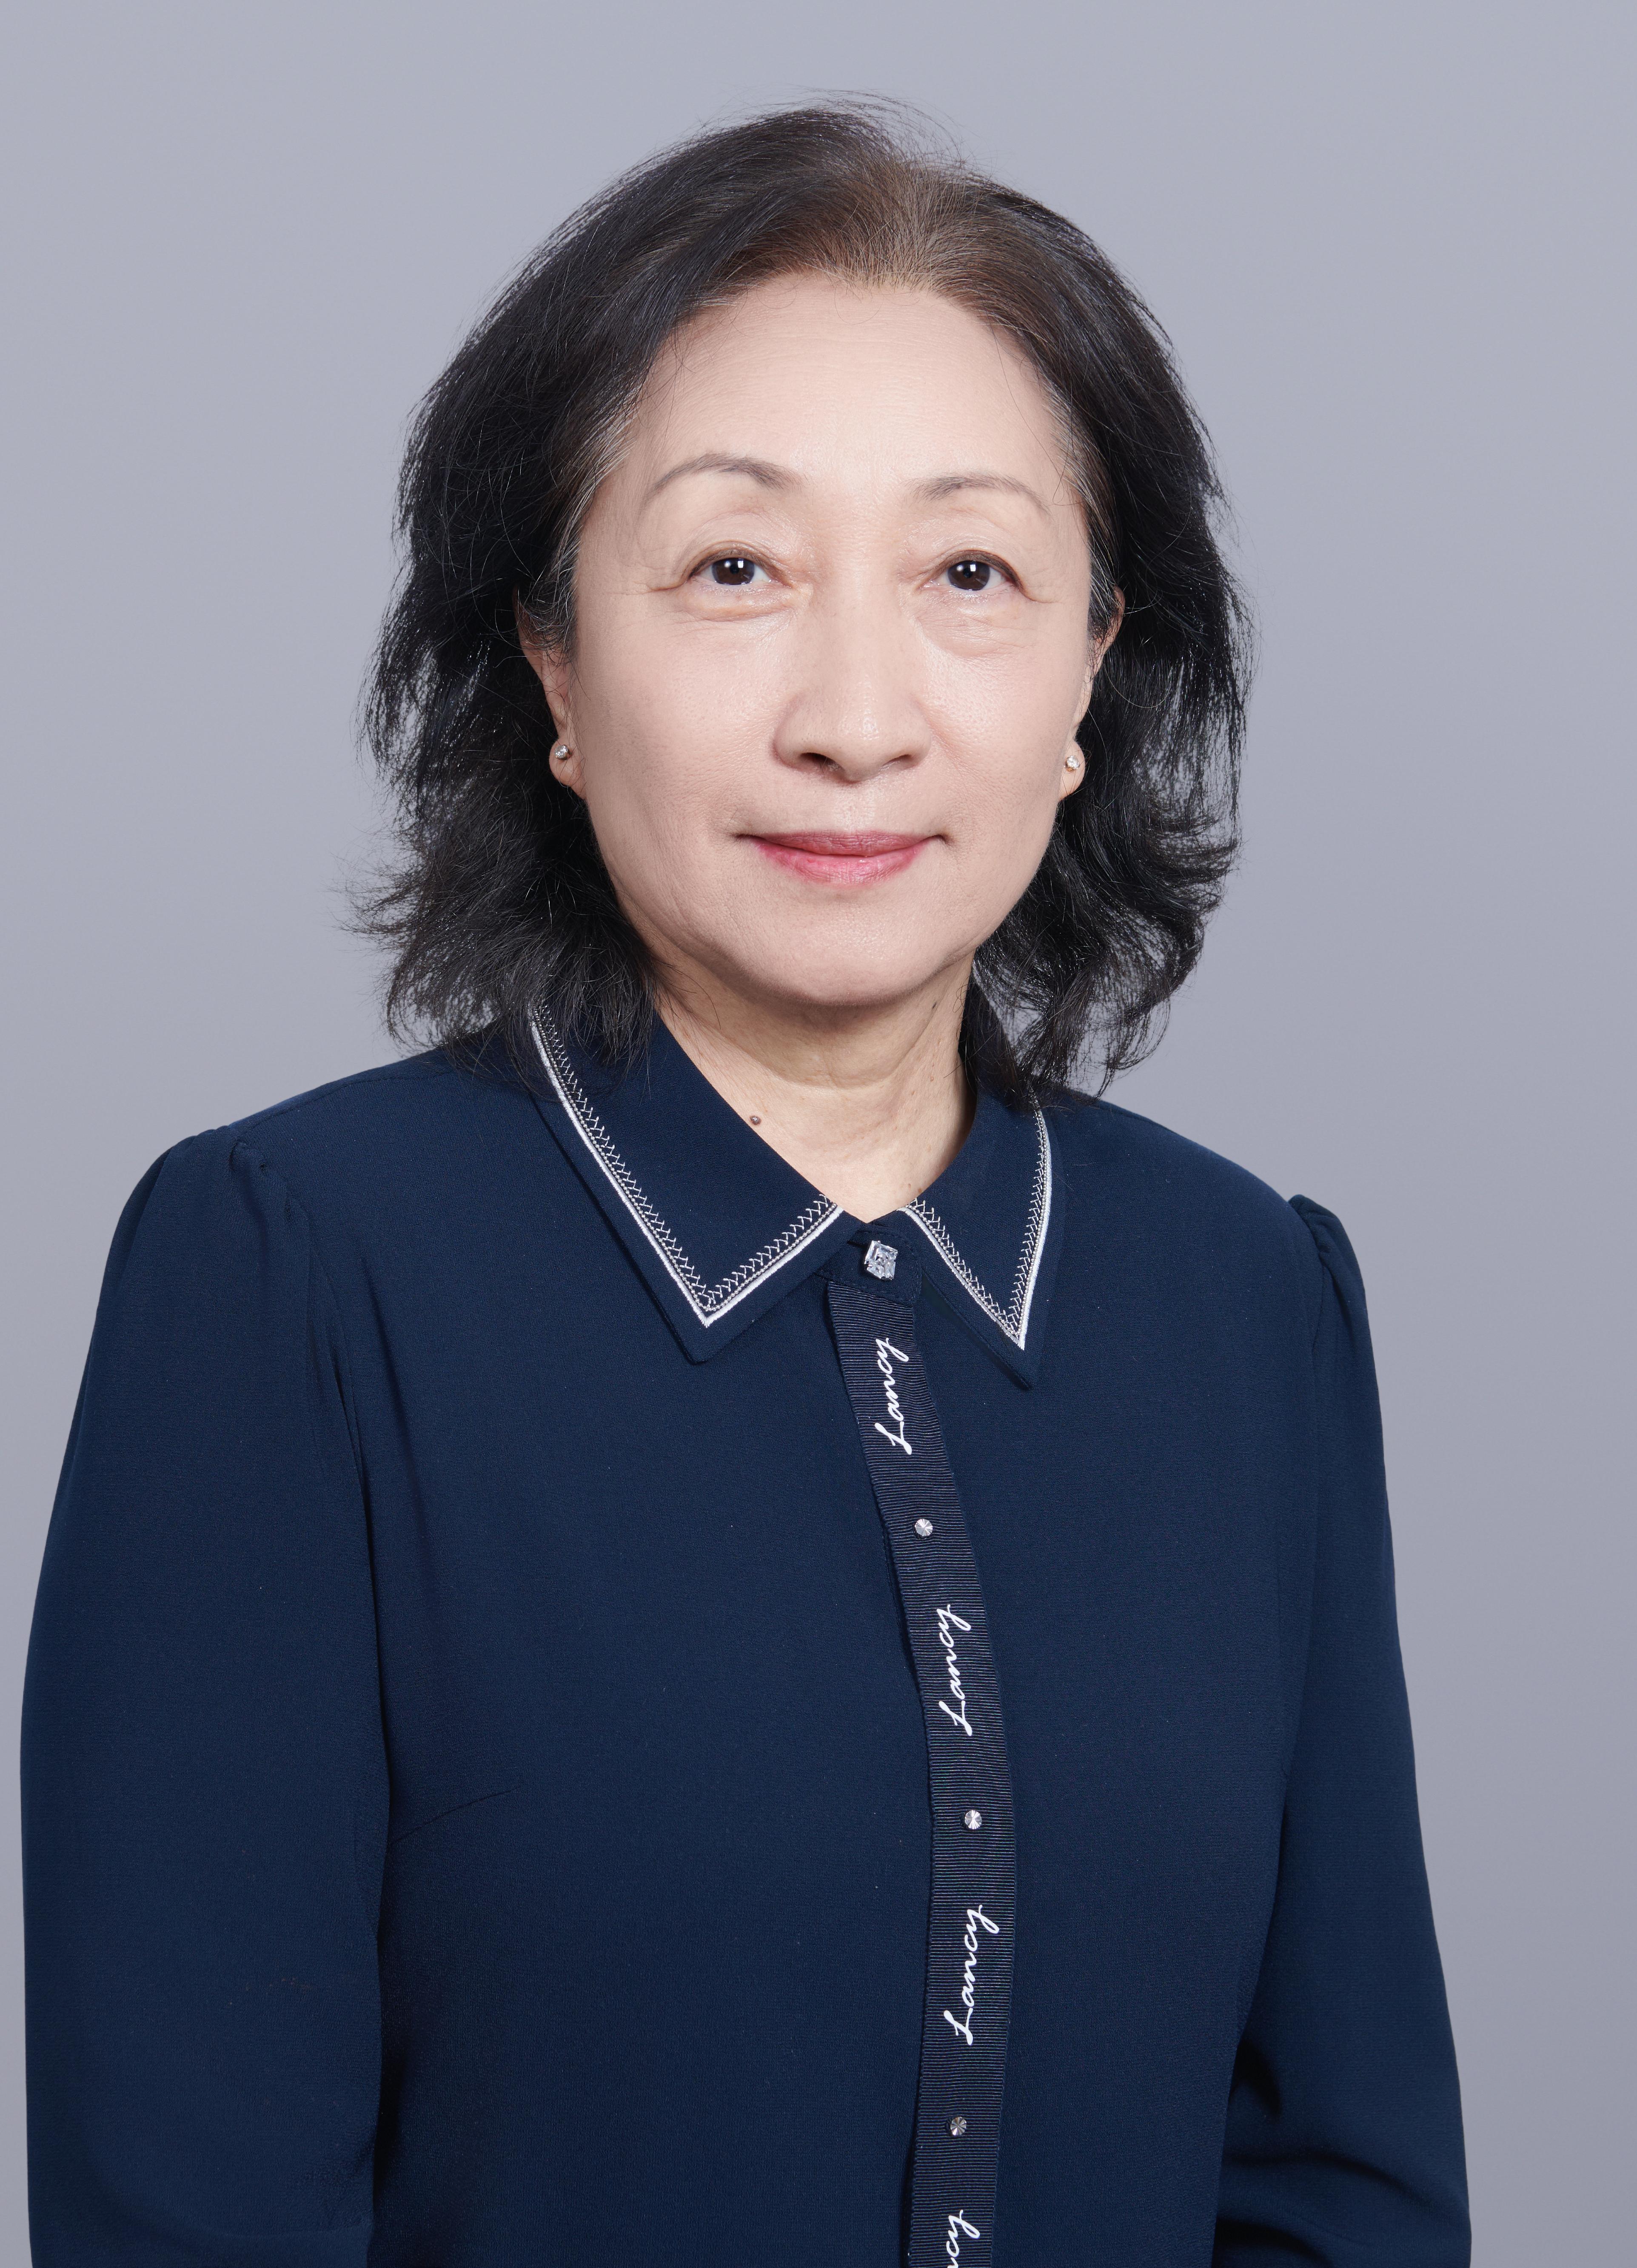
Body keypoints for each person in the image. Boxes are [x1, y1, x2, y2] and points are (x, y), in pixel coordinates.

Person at [22, 103, 1469, 2268]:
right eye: (732, 570)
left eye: (968, 575)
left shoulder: (1245, 1299)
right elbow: (190, 2214)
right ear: (551, 664)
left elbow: (1339, 2185)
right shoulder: (295, 1279)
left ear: (1089, 670)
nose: (853, 717)